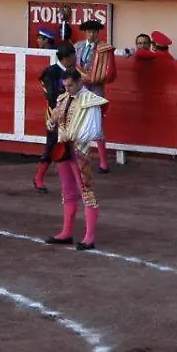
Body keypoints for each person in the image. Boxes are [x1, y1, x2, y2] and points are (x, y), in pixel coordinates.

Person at [44, 68, 108, 251]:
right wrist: (52, 122)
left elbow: (94, 130)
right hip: (63, 150)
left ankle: (89, 237)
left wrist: (71, 136)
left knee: (86, 192)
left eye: (71, 85)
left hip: (80, 150)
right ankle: (67, 232)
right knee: (68, 191)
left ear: (80, 82)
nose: (68, 89)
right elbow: (54, 118)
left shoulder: (91, 100)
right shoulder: (63, 99)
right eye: (65, 86)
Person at [34, 43, 78, 194]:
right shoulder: (51, 72)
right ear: (67, 58)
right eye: (73, 55)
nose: (75, 58)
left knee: (69, 146)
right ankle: (39, 178)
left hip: (70, 113)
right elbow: (51, 96)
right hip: (56, 113)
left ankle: (71, 180)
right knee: (52, 145)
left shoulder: (71, 71)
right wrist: (58, 114)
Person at [74, 19, 117, 173]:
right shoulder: (78, 46)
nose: (91, 34)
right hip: (81, 87)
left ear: (98, 32)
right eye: (89, 31)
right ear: (85, 32)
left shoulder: (103, 48)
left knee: (96, 123)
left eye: (94, 31)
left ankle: (103, 163)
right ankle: (81, 160)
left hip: (96, 89)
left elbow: (107, 70)